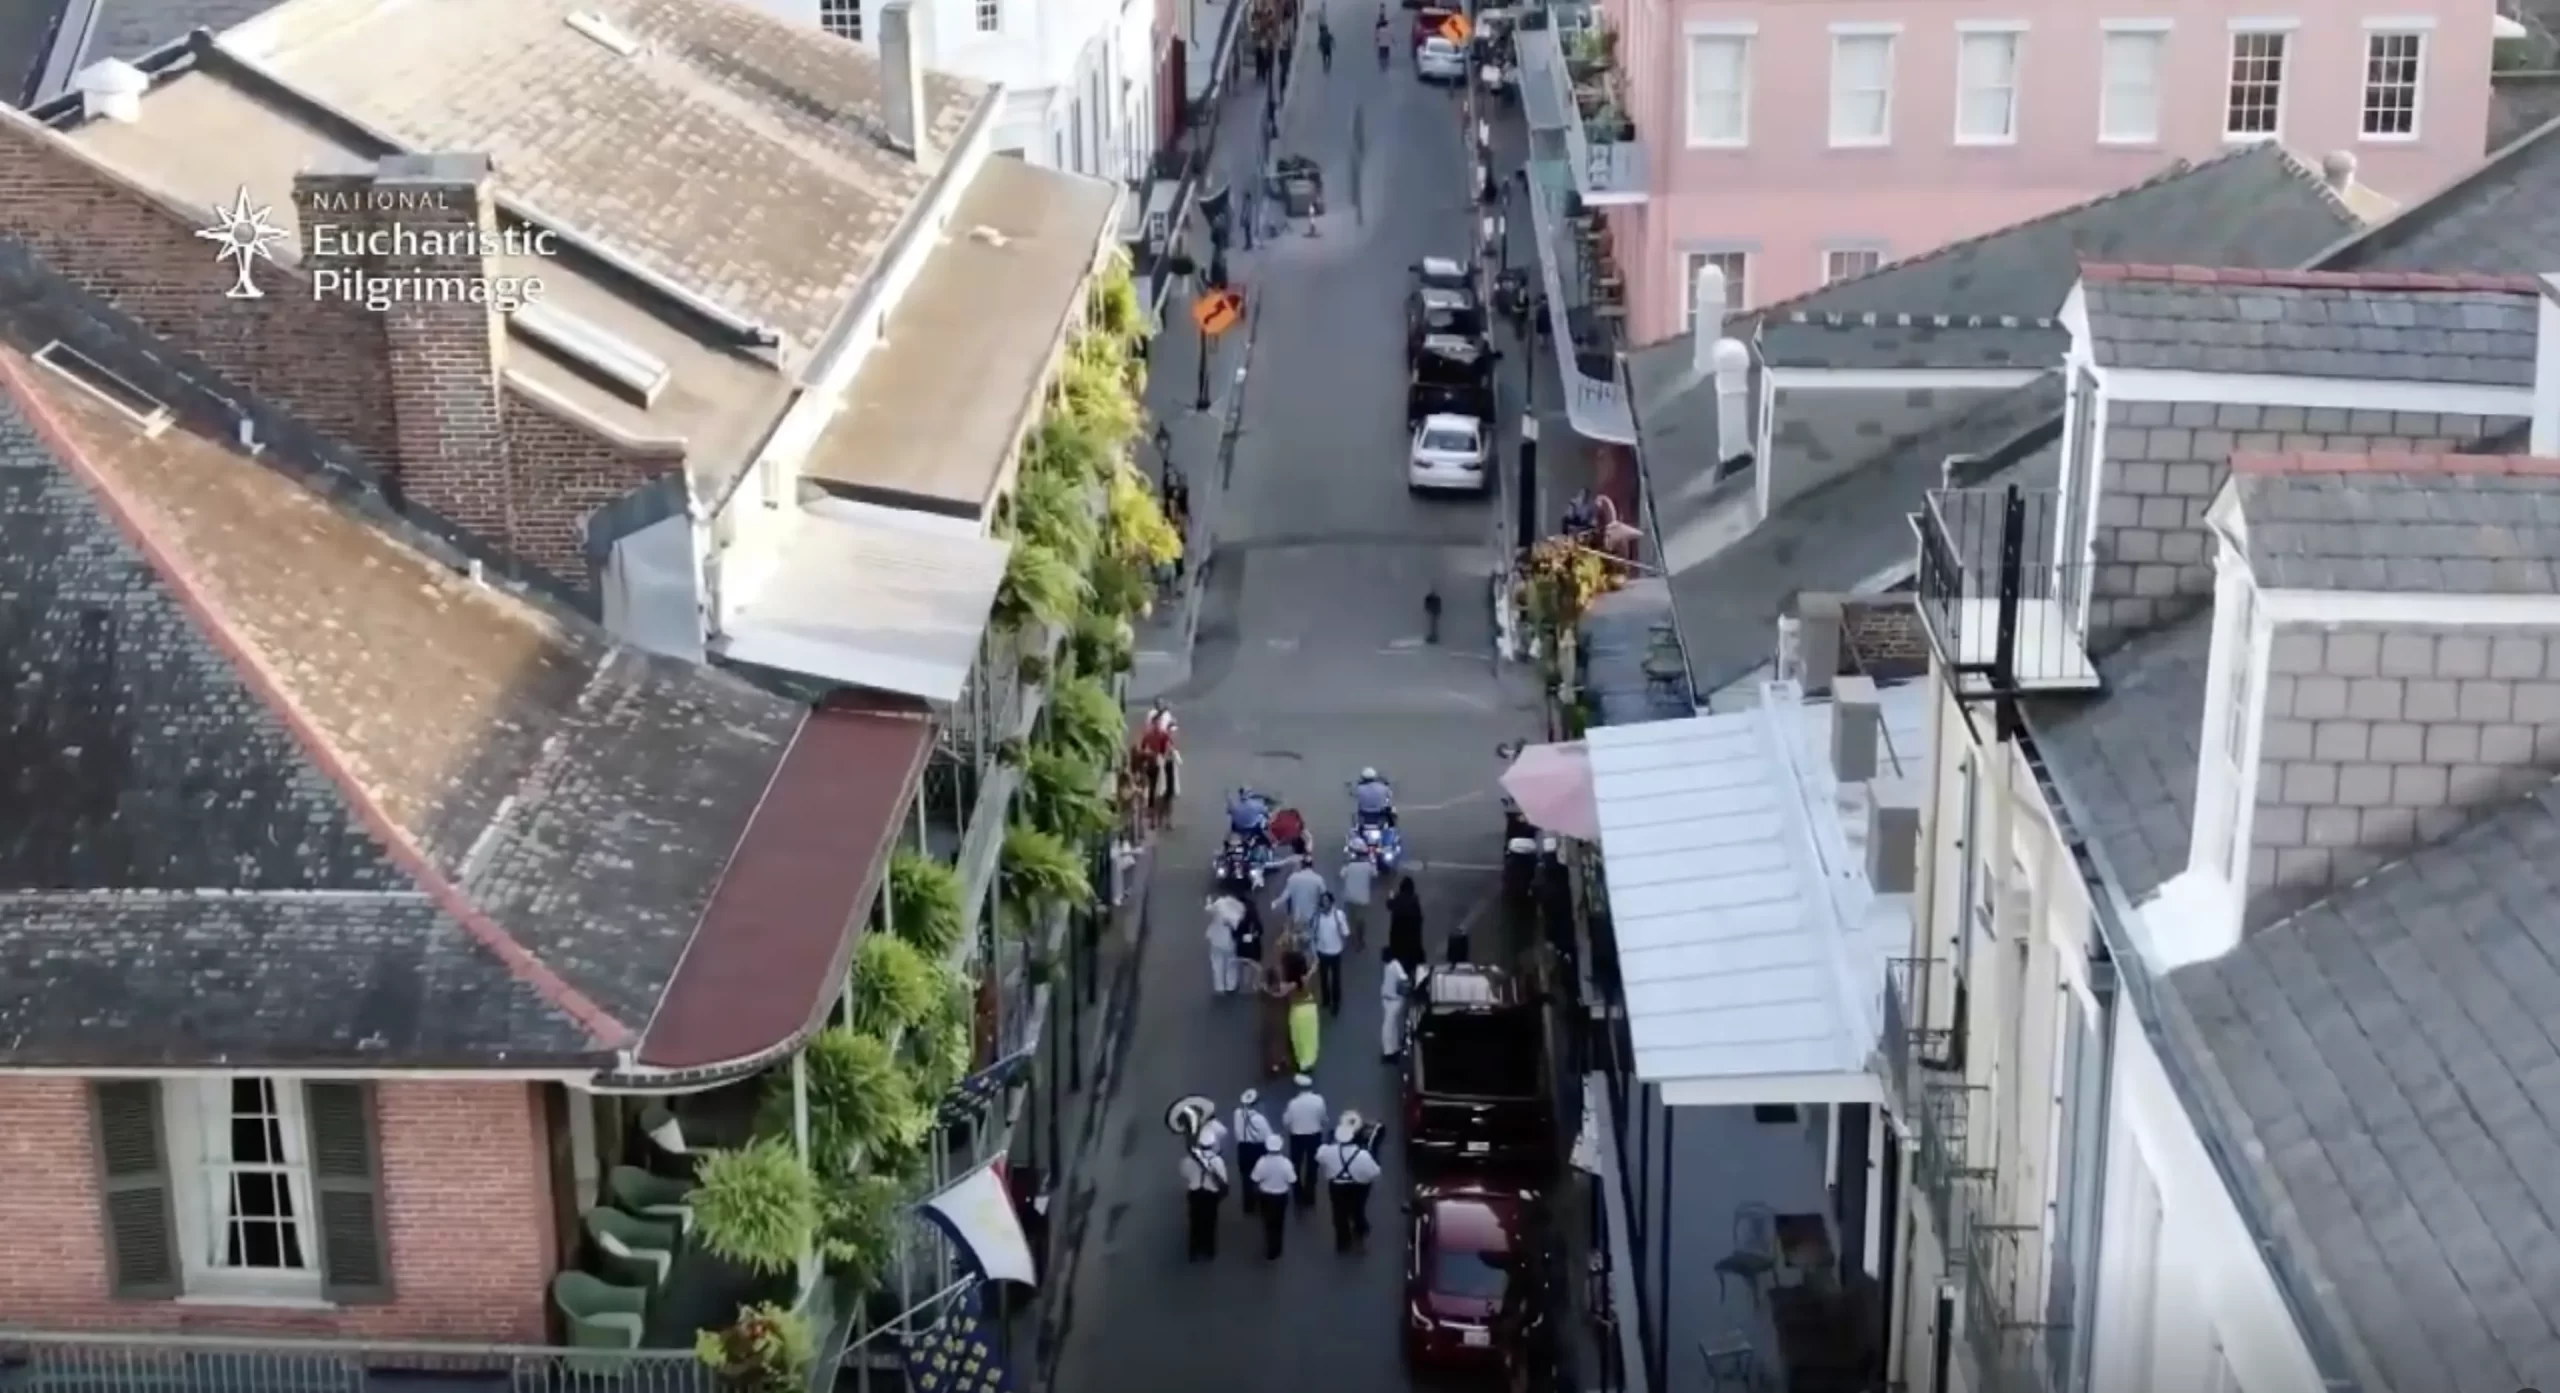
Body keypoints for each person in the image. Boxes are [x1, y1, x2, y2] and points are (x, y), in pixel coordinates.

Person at [1315, 1113, 1383, 1252]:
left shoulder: (1329, 1151)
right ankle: (1359, 1231)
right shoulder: (1362, 1155)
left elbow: (1318, 1156)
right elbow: (1375, 1172)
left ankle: (1343, 1242)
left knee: (1339, 1213)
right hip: (1359, 1187)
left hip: (1337, 1186)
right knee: (1358, 1209)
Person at [1281, 1074, 1328, 1208]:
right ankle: (1310, 1194)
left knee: (1296, 1165)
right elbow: (1323, 1117)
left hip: (1297, 1136)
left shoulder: (1293, 1103)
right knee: (1312, 1166)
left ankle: (1298, 1194)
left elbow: (1286, 1121)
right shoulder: (1319, 1100)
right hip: (1314, 1135)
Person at [1248, 1134, 1295, 1258]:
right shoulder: (1286, 1163)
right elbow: (1292, 1179)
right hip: (1281, 1196)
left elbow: (1255, 1178)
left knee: (1268, 1222)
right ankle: (1277, 1247)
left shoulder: (1262, 1161)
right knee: (1279, 1222)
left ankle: (1270, 1247)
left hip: (1266, 1196)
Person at [1182, 1135, 1228, 1260]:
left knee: (1195, 1222)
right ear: (1212, 1145)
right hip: (1210, 1194)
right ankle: (1209, 1250)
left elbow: (1184, 1173)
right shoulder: (1217, 1161)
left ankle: (1194, 1251)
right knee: (1210, 1222)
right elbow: (1223, 1179)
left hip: (1195, 1192)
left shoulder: (1190, 1159)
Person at [1231, 1090, 1276, 1212]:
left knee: (1246, 1177)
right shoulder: (1260, 1119)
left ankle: (1248, 1205)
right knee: (1261, 1176)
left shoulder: (1237, 1113)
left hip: (1243, 1148)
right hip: (1257, 1149)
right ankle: (1262, 1203)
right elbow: (1269, 1135)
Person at [1310, 892, 1350, 1015]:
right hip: (1322, 951)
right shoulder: (1317, 916)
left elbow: (1346, 932)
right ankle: (1326, 1000)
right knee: (1323, 978)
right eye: (1322, 901)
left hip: (1335, 952)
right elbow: (1313, 932)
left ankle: (1336, 1002)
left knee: (1335, 979)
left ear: (1331, 903)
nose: (1324, 904)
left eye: (1326, 901)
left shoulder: (1338, 915)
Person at [1272, 856, 1327, 930]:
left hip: (1297, 916)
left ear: (1302, 865)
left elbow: (1285, 895)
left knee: (1298, 937)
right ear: (1312, 866)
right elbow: (1325, 897)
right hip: (1312, 917)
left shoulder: (1293, 878)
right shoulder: (1318, 879)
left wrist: (1275, 903)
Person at [1387, 878, 1426, 973]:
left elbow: (1389, 904)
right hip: (1413, 945)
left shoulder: (1398, 899)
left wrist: (1390, 896)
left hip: (1397, 943)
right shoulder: (1414, 902)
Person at [1205, 895, 1242, 996]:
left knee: (1217, 964)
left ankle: (1219, 986)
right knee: (1231, 963)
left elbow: (1209, 909)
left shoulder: (1219, 904)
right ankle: (1231, 985)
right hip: (1231, 942)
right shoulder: (1238, 909)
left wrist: (1208, 901)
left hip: (1216, 941)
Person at [1336, 852, 1377, 943]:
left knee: (1351, 919)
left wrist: (1345, 863)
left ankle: (1352, 937)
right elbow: (1375, 874)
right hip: (1363, 898)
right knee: (1361, 921)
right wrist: (1373, 862)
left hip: (1349, 896)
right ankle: (1360, 939)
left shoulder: (1349, 865)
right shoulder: (1368, 866)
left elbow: (1341, 875)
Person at [1379, 948, 1412, 1060]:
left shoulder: (1395, 966)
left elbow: (1404, 978)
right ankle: (1395, 1048)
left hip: (1394, 1001)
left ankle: (1388, 1053)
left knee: (1387, 1027)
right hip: (1387, 1000)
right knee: (1392, 1027)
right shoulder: (1387, 965)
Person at [1233, 894, 1267, 995]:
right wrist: (1252, 937)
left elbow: (1235, 933)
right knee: (1255, 965)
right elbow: (1260, 930)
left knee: (1245, 965)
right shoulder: (1253, 915)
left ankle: (1245, 985)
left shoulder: (1237, 917)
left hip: (1243, 945)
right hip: (1254, 945)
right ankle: (1254, 985)